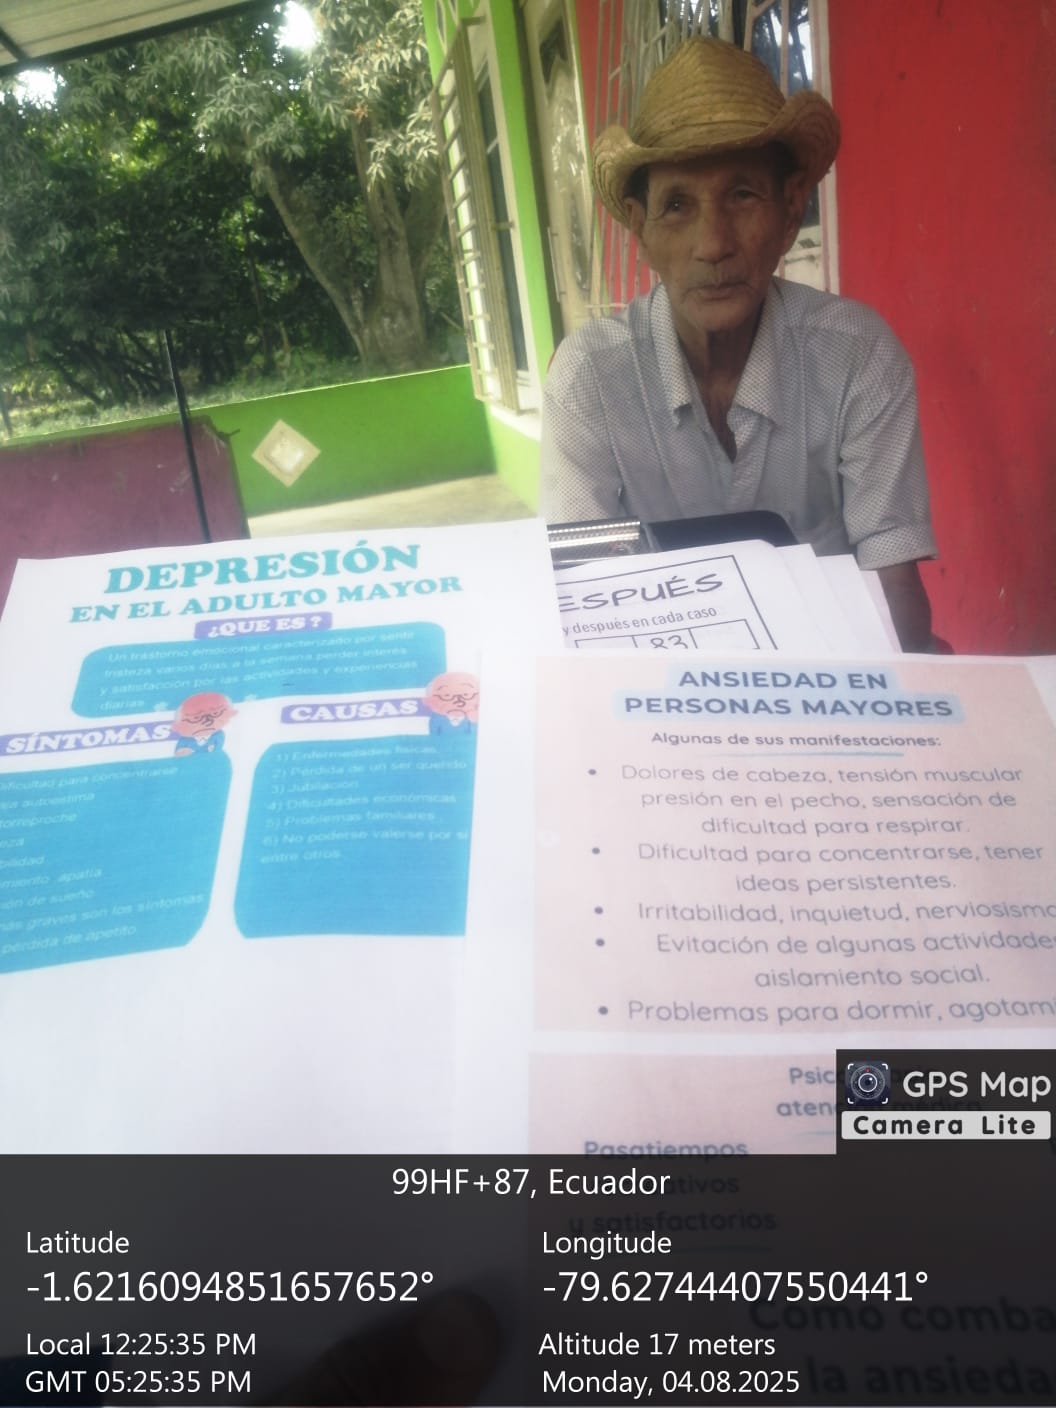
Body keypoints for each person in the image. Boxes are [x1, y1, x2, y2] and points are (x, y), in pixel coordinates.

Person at [540, 37, 939, 651]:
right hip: (662, 680)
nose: (713, 244)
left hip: (837, 678)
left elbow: (894, 582)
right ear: (640, 229)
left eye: (743, 195)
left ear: (790, 210)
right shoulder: (589, 379)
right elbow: (584, 594)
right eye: (677, 205)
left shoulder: (858, 357)